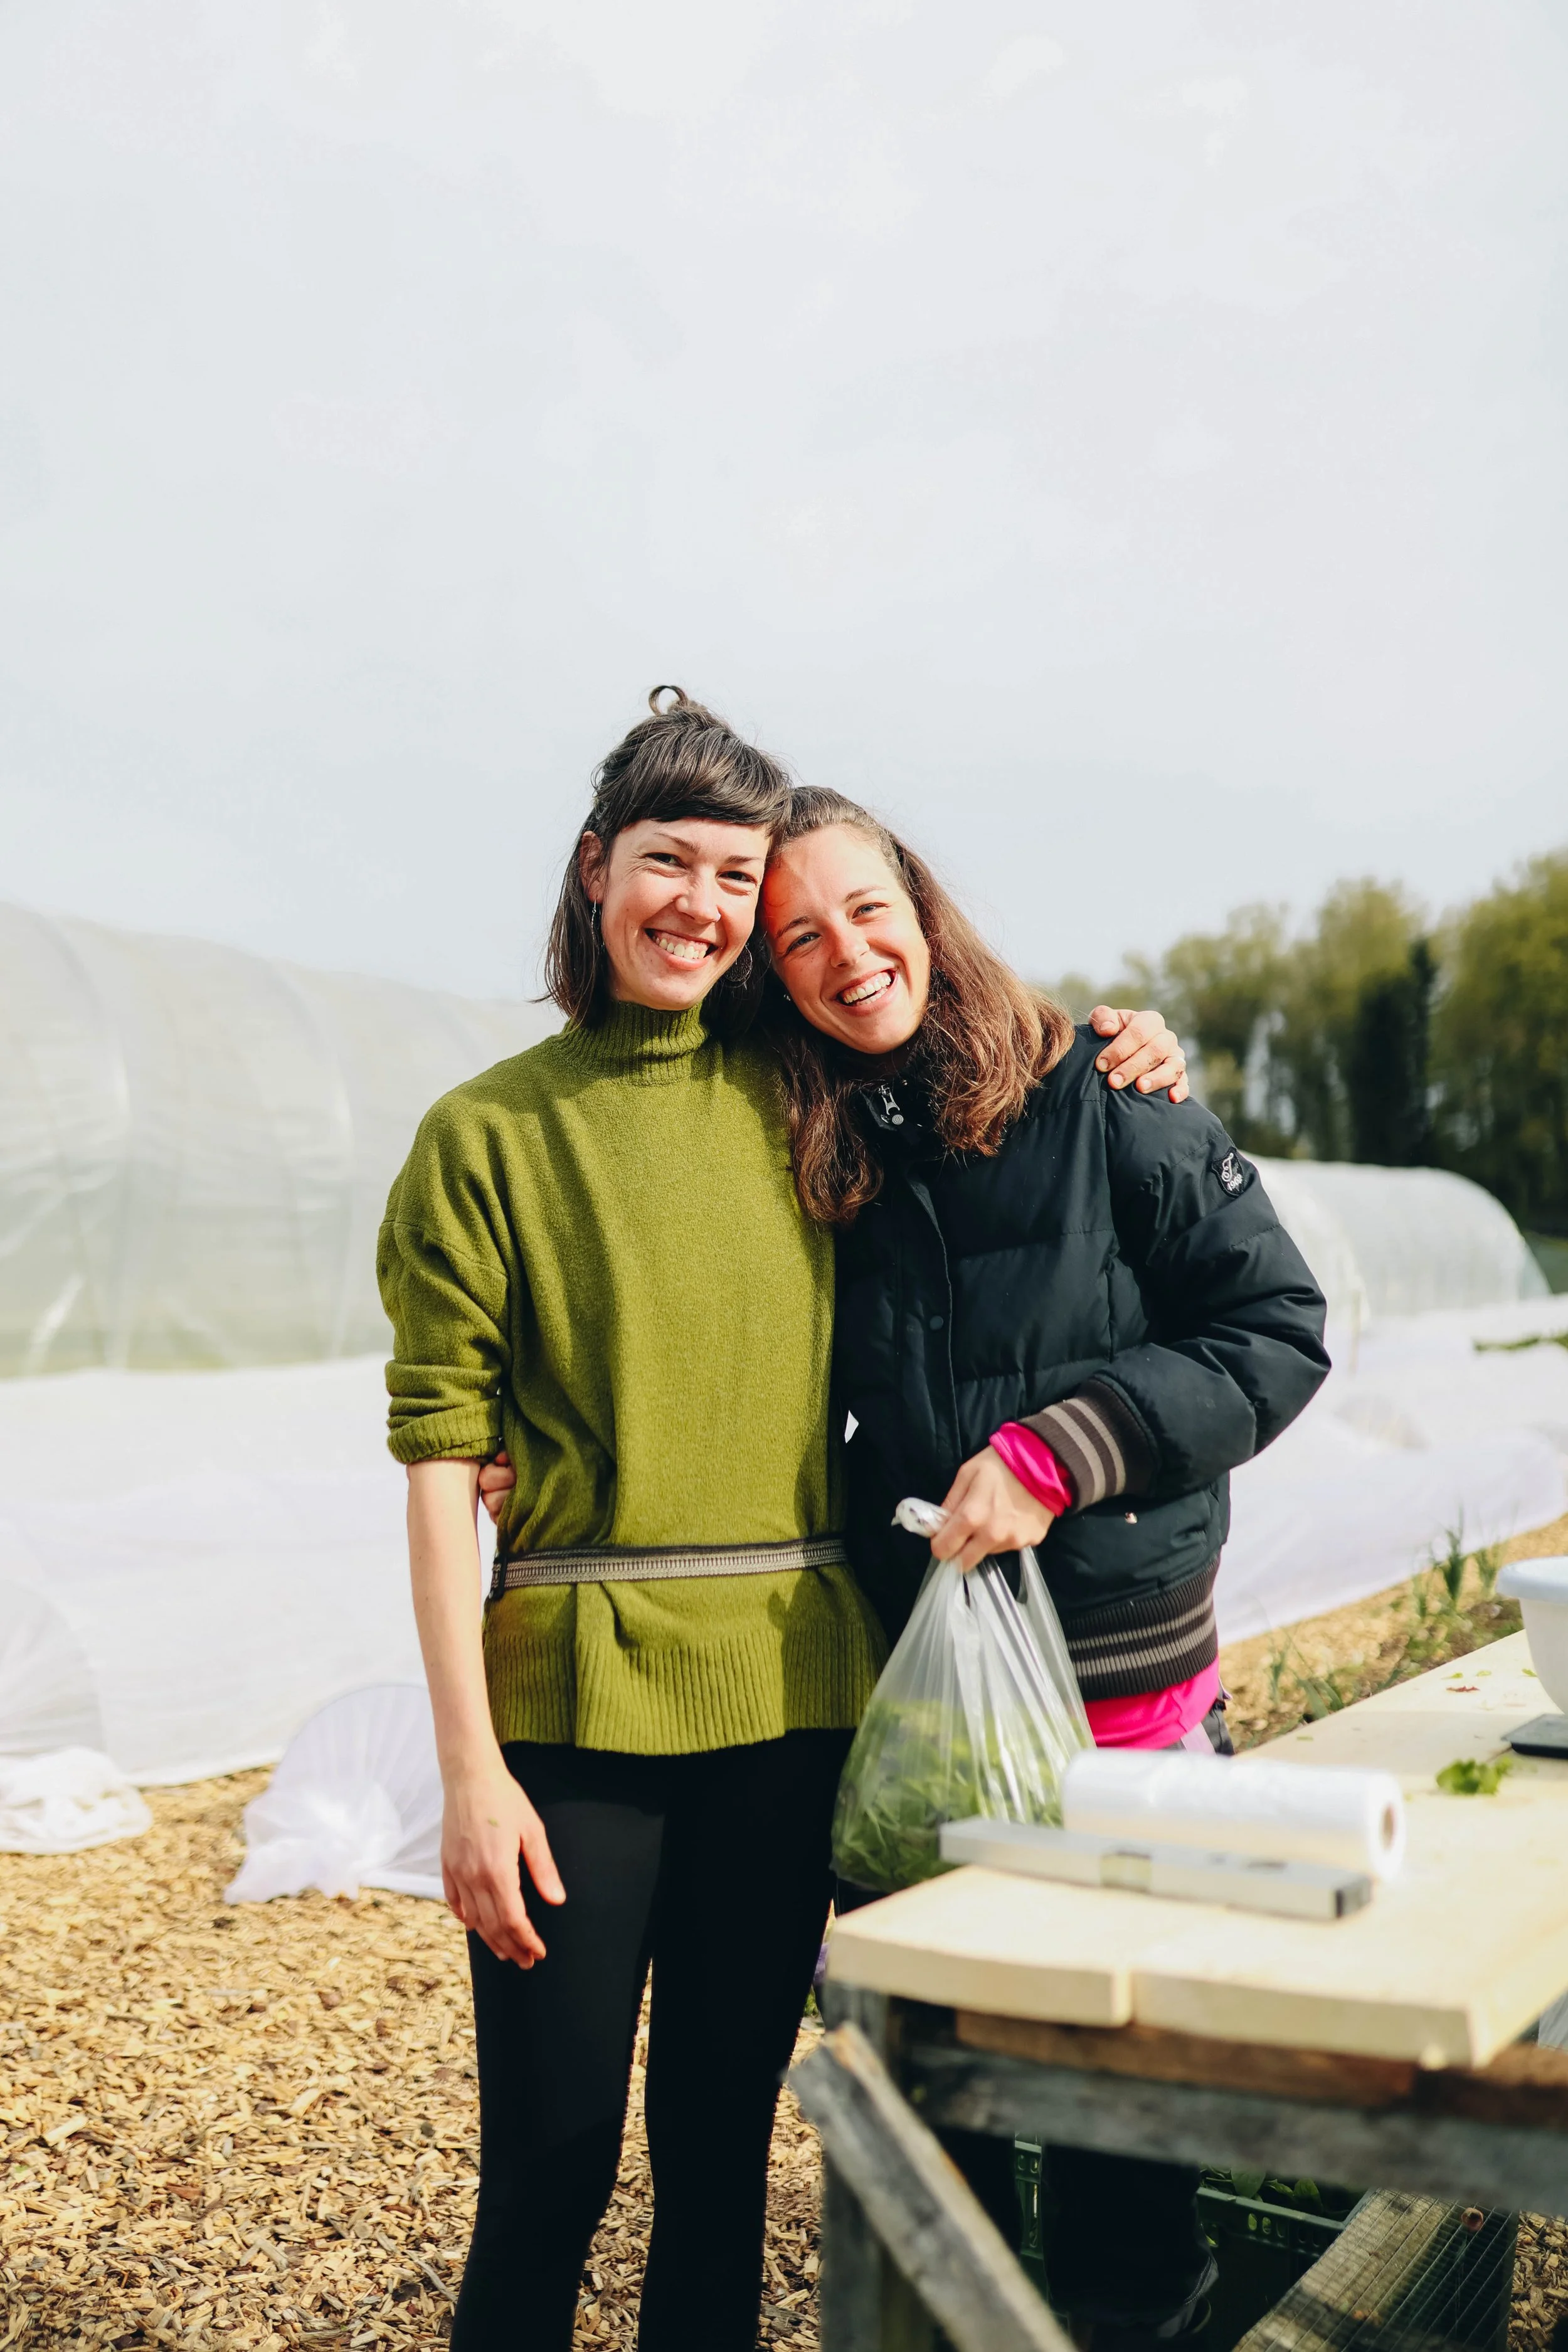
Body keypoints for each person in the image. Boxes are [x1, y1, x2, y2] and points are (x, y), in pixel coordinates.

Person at [381, 689, 1187, 2352]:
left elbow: (991, 1111)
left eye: (734, 876)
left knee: (721, 2167)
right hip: (572, 1716)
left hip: (793, 1706)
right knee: (546, 2167)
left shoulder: (804, 1100)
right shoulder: (485, 1134)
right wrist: (465, 1773)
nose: (701, 901)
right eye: (667, 859)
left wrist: (1125, 1049)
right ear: (596, 867)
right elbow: (431, 1466)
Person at [756, 786, 1332, 2351]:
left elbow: (1273, 1333)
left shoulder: (1105, 1093)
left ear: (922, 907)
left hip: (1115, 1717)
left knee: (1105, 2122)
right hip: (923, 1716)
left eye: (865, 910)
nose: (845, 954)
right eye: (796, 935)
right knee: (920, 2121)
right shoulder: (810, 1148)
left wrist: (1055, 1452)